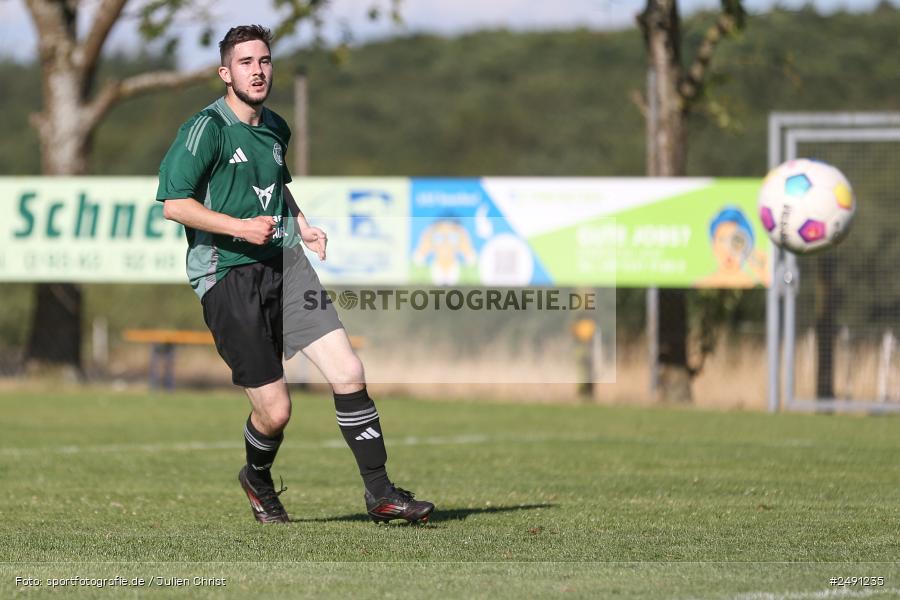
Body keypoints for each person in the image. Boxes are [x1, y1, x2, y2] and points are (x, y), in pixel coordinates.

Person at [155, 24, 433, 525]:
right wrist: (239, 227)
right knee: (276, 412)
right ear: (225, 73)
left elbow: (277, 186)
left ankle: (381, 494)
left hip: (286, 264)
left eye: (264, 61)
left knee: (349, 372)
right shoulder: (205, 130)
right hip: (228, 276)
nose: (257, 71)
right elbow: (175, 206)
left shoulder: (276, 127)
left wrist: (302, 227)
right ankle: (257, 479)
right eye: (245, 63)